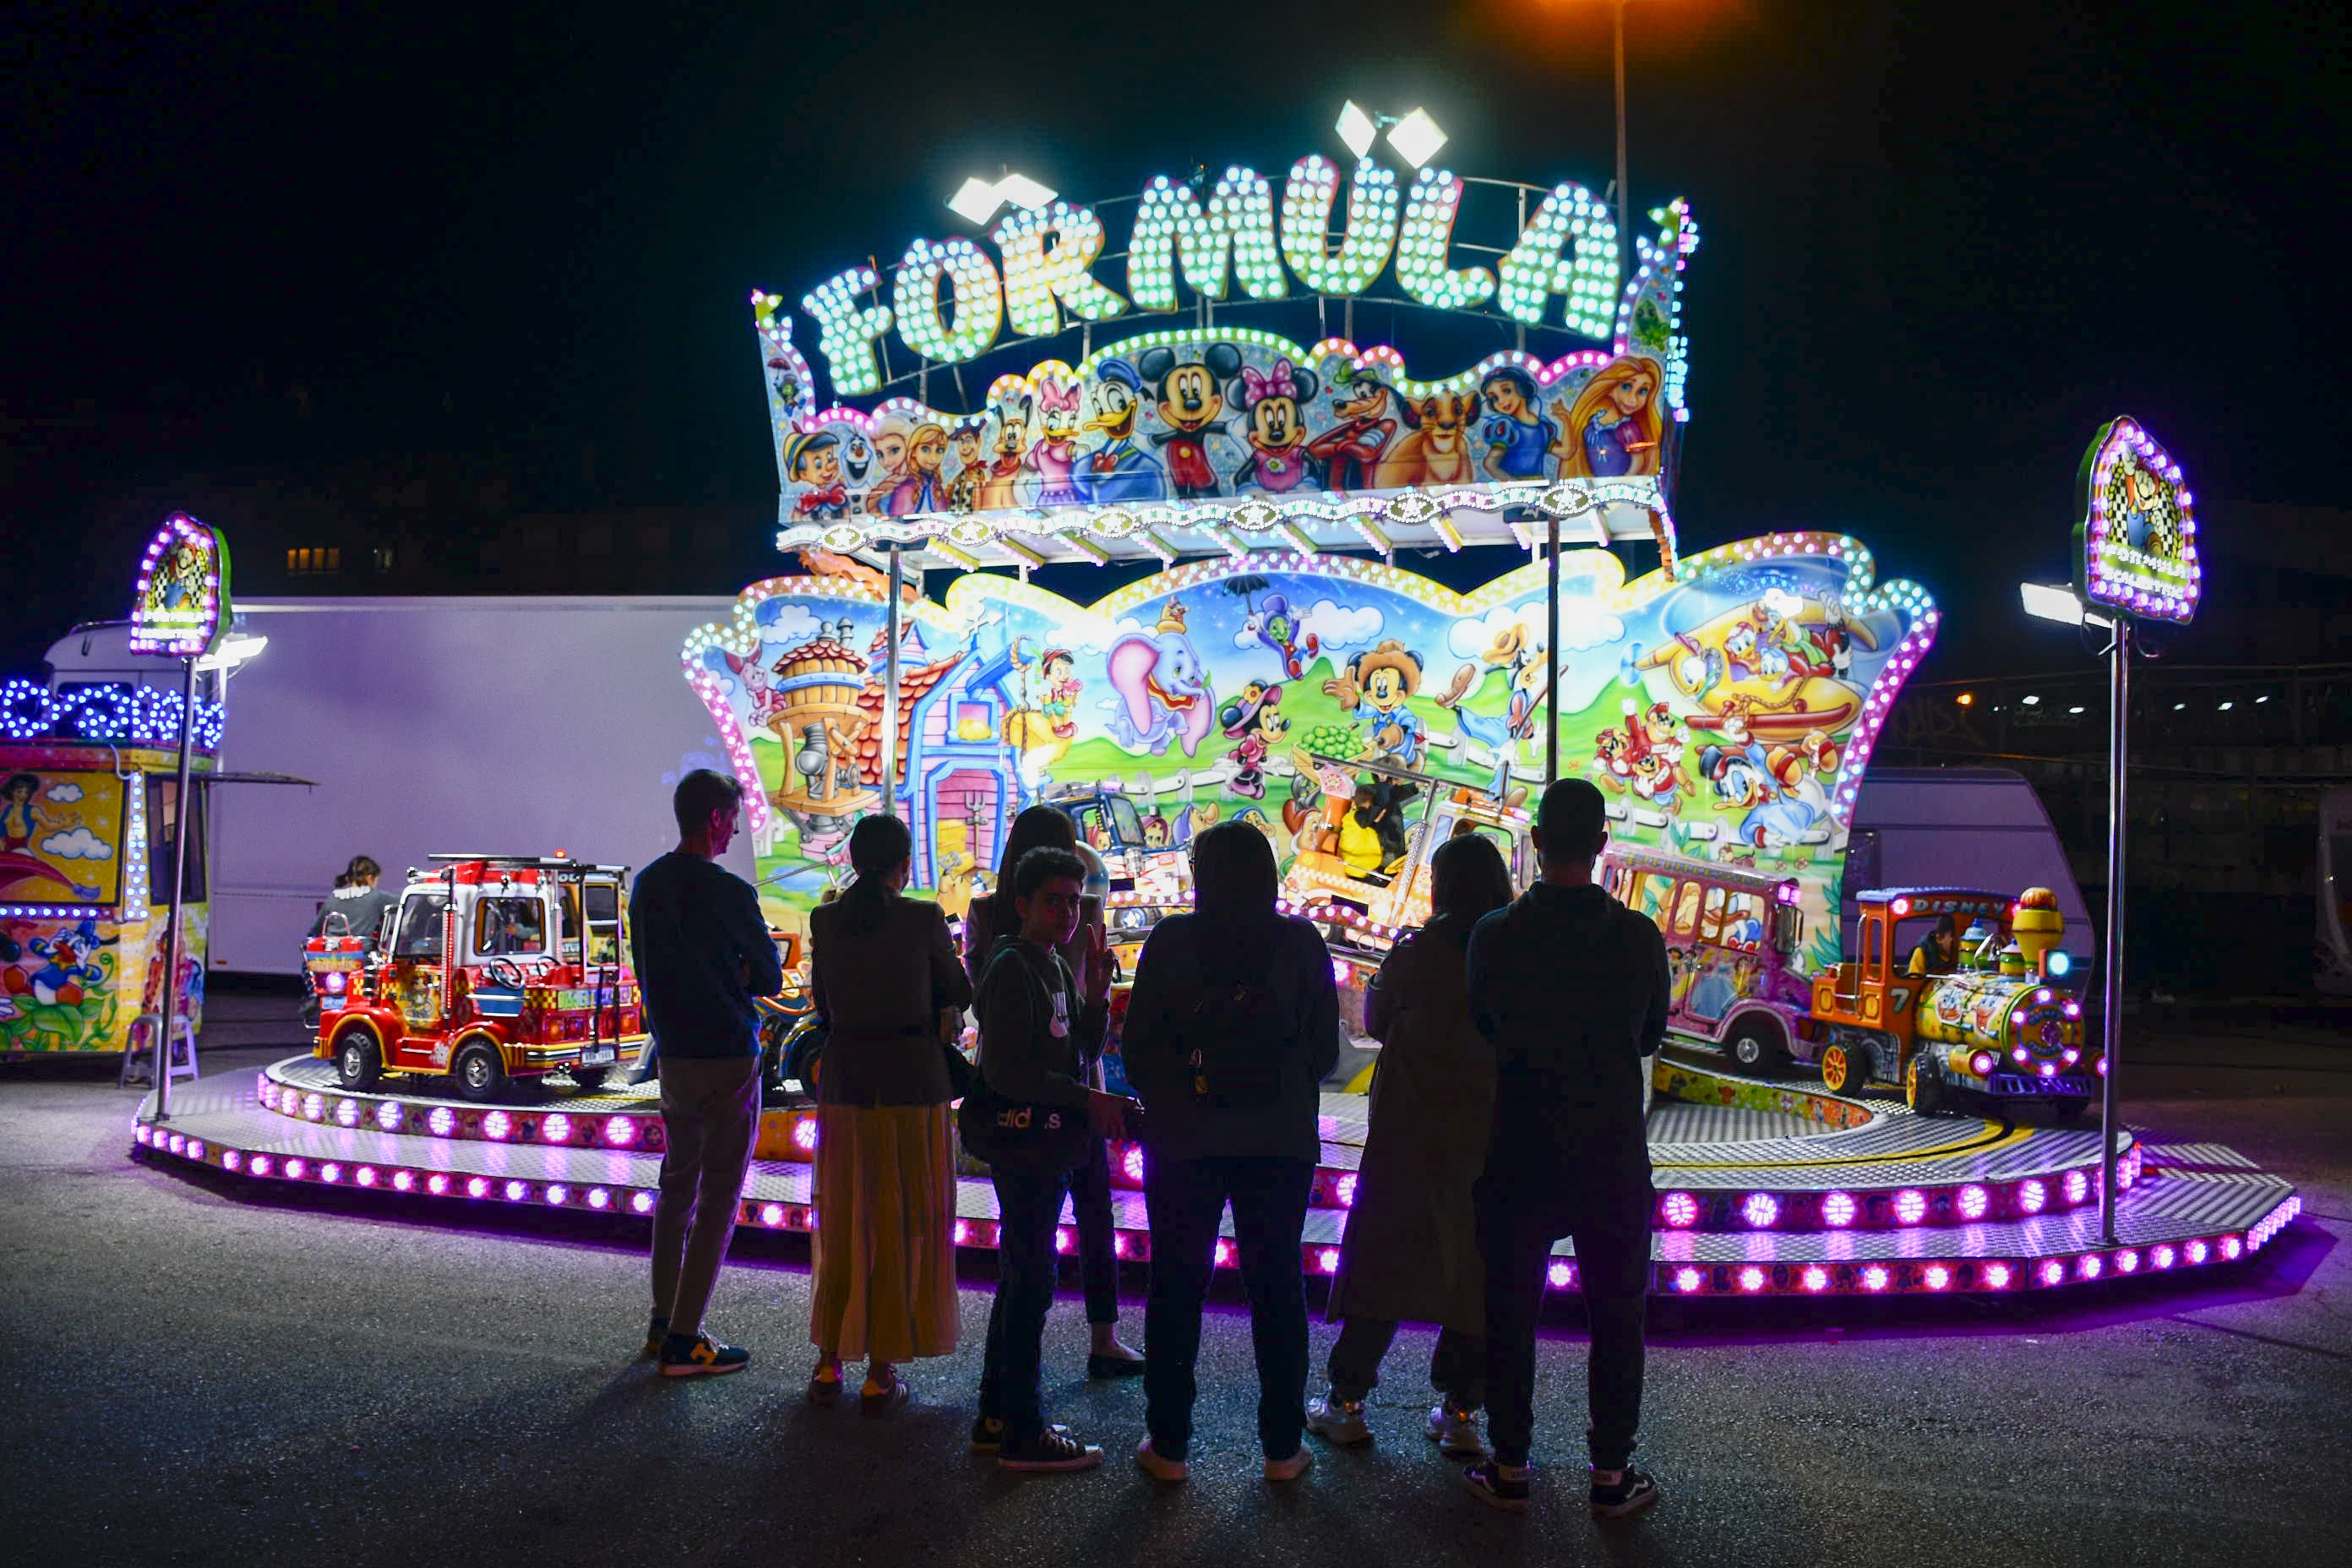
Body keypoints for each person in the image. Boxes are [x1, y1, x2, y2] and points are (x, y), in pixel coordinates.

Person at [1461, 777, 1669, 1516]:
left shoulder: (1495, 933)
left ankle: (1510, 1462)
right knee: (1616, 1315)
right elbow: (1650, 1035)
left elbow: (1483, 1021)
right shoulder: (1639, 936)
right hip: (1610, 1149)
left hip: (1519, 1142)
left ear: (1537, 843)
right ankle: (1611, 1474)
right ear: (1603, 842)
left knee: (1511, 1308)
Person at [1120, 821, 1340, 1485]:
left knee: (1178, 1285)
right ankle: (1281, 1449)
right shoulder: (1301, 943)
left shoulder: (1172, 941)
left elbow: (1137, 1051)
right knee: (1276, 1286)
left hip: (1185, 1138)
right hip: (1278, 1141)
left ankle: (1169, 1445)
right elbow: (1326, 1055)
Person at [1307, 834, 1515, 1457]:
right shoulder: (1507, 955)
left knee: (1383, 1263)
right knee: (1470, 1273)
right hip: (1482, 1139)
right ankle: (1461, 1412)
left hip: (1408, 1134)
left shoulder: (1418, 951)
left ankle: (1347, 1401)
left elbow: (1374, 1020)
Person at [962, 805, 1146, 1381]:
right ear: (1027, 903)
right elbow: (1016, 1062)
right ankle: (1080, 1353)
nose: (1068, 912)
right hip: (1051, 1100)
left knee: (1030, 1261)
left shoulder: (990, 916)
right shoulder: (1022, 950)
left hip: (1058, 1090)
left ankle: (1008, 1405)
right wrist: (1090, 1095)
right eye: (1055, 902)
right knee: (1055, 1241)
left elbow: (1075, 1031)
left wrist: (1093, 993)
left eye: (1071, 902)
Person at [807, 814, 972, 1411]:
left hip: (847, 1082)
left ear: (851, 859)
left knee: (847, 1217)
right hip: (912, 1084)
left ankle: (829, 1362)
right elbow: (961, 990)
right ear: (905, 865)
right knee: (904, 1221)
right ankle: (881, 1371)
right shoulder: (923, 918)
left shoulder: (826, 921)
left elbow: (823, 1003)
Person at [629, 770, 784, 1376]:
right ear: (717, 818)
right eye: (734, 818)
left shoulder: (646, 887)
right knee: (719, 1197)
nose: (738, 830)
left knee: (677, 1187)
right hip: (728, 1055)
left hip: (673, 1056)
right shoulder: (730, 892)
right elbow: (770, 978)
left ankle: (662, 1319)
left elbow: (647, 968)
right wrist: (739, 974)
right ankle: (686, 1340)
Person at [310, 855, 396, 950]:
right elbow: (408, 902)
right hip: (362, 956)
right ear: (369, 877)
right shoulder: (376, 897)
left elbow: (315, 930)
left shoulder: (333, 897)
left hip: (332, 956)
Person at [1907, 912, 1960, 976]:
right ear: (1939, 938)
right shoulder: (1922, 952)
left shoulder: (1961, 954)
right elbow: (1914, 978)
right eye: (1953, 937)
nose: (1959, 944)